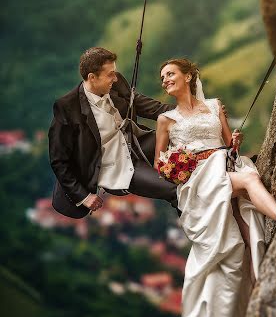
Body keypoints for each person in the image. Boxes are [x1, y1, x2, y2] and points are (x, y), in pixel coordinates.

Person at [154, 58, 276, 317]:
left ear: (188, 76)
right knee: (250, 181)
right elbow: (160, 165)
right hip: (199, 181)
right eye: (162, 77)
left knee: (240, 244)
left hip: (223, 170)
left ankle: (254, 297)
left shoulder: (214, 106)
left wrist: (234, 143)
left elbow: (228, 146)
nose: (165, 80)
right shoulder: (166, 119)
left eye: (170, 74)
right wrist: (178, 166)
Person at [48, 46, 179, 218]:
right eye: (110, 74)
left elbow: (145, 105)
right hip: (116, 167)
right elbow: (59, 161)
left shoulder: (116, 84)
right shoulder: (67, 109)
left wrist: (186, 113)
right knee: (176, 190)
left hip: (136, 143)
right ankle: (204, 237)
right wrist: (84, 196)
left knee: (183, 140)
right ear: (92, 78)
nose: (115, 78)